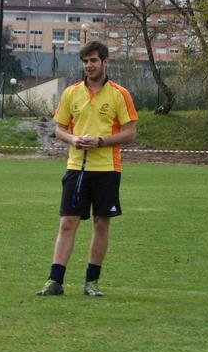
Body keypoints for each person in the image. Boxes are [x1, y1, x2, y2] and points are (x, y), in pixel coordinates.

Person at [37, 41, 138, 298]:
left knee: (101, 224)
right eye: (85, 61)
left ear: (105, 62)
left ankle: (91, 282)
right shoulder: (71, 93)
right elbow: (59, 128)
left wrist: (101, 141)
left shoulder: (120, 94)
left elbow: (130, 133)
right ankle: (55, 281)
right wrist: (73, 139)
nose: (89, 66)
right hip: (76, 168)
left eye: (93, 60)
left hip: (107, 169)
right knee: (67, 223)